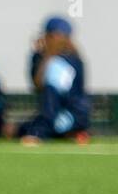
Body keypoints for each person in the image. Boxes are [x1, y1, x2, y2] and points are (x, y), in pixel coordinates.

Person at [15, 16, 90, 145]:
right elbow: (37, 86)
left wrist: (38, 133)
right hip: (61, 114)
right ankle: (72, 132)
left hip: (70, 115)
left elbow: (51, 100)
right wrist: (42, 57)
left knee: (35, 128)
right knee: (22, 128)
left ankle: (71, 131)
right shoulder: (45, 58)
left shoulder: (64, 62)